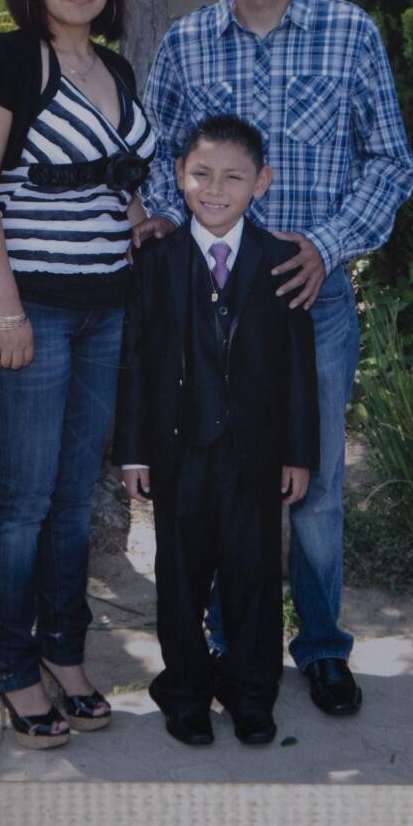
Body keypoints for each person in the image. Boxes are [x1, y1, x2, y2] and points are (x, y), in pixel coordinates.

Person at [134, 0, 413, 719]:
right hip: (208, 314)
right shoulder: (185, 44)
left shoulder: (349, 34)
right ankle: (226, 646)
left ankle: (324, 647)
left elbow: (390, 161)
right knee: (219, 478)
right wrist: (160, 220)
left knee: (315, 485)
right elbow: (154, 158)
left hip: (309, 304)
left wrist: (327, 247)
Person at [0, 0, 156, 749]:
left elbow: (114, 180)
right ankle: (11, 663)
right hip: (26, 311)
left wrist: (139, 217)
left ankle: (67, 653)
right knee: (23, 499)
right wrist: (3, 305)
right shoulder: (3, 60)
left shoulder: (118, 68)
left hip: (104, 312)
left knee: (76, 497)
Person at [117, 115, 319, 746]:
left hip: (254, 457)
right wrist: (133, 452)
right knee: (180, 578)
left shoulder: (284, 261)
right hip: (181, 453)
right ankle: (185, 693)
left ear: (261, 183)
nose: (214, 188)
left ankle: (251, 693)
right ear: (178, 177)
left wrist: (298, 453)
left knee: (254, 576)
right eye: (200, 174)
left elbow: (298, 372)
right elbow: (136, 360)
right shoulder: (156, 259)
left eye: (233, 177)